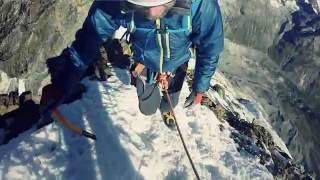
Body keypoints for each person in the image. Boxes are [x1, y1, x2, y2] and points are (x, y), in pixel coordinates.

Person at [41, 0, 224, 128]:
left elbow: (210, 48)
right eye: (141, 5)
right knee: (147, 108)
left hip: (177, 65)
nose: (152, 13)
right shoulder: (115, 3)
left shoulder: (201, 5)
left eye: (161, 4)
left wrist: (200, 87)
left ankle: (167, 109)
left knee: (171, 99)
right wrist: (61, 83)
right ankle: (156, 99)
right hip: (145, 64)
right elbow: (89, 39)